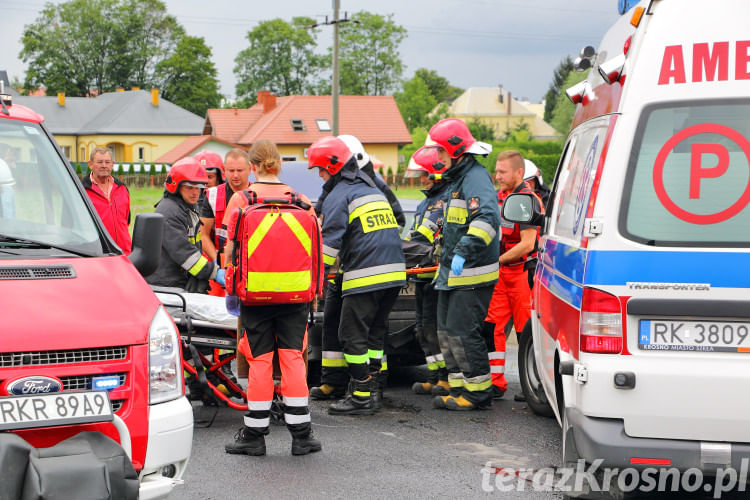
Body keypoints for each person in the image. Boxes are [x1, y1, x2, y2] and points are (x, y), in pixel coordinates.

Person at [222, 139, 321, 457]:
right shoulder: (302, 200)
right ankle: (302, 435)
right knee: (293, 359)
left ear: (252, 167)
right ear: (279, 165)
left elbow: (229, 251)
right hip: (296, 295)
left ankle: (254, 434)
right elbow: (315, 248)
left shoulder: (241, 198)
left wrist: (231, 292)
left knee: (260, 361)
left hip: (255, 297)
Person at [308, 136, 406, 416]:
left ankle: (361, 395)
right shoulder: (371, 188)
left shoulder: (341, 195)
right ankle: (372, 390)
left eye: (321, 169)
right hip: (394, 274)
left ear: (333, 166)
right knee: (374, 334)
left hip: (365, 275)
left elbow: (329, 244)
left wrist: (314, 279)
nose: (320, 175)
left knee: (350, 335)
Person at [427, 118, 500, 411]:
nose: (438, 157)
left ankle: (477, 394)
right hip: (451, 274)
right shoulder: (458, 178)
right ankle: (459, 387)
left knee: (462, 332)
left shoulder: (475, 177)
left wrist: (463, 252)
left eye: (441, 151)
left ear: (456, 150)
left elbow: (487, 220)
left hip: (470, 274)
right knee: (446, 331)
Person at [485, 150, 544, 399]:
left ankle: (535, 386)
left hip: (522, 273)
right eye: (496, 171)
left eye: (502, 172)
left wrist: (494, 260)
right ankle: (495, 382)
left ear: (519, 173)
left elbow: (528, 244)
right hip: (501, 274)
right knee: (492, 328)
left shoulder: (528, 200)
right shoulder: (498, 198)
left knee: (526, 332)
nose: (497, 176)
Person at [403, 146, 452, 396]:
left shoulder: (444, 201)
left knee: (434, 328)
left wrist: (396, 247)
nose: (421, 179)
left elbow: (421, 237)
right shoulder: (425, 201)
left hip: (436, 277)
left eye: (425, 174)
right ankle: (434, 376)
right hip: (422, 276)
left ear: (438, 174)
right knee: (423, 329)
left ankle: (444, 378)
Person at [146, 157, 224, 292]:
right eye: (189, 187)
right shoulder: (170, 212)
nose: (195, 192)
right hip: (167, 287)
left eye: (198, 187)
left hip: (176, 282)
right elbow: (186, 255)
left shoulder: (185, 207)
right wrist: (214, 272)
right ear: (176, 186)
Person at [199, 148, 251, 265]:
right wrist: (219, 263)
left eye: (240, 170)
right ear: (224, 170)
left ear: (250, 169)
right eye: (231, 170)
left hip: (250, 263)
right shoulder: (213, 195)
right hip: (222, 261)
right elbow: (203, 235)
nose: (235, 175)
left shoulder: (257, 194)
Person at [82, 147, 132, 254]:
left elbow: (126, 221)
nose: (104, 165)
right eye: (99, 162)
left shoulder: (122, 189)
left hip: (124, 254)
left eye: (107, 162)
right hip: (96, 254)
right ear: (90, 164)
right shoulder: (81, 191)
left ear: (112, 164)